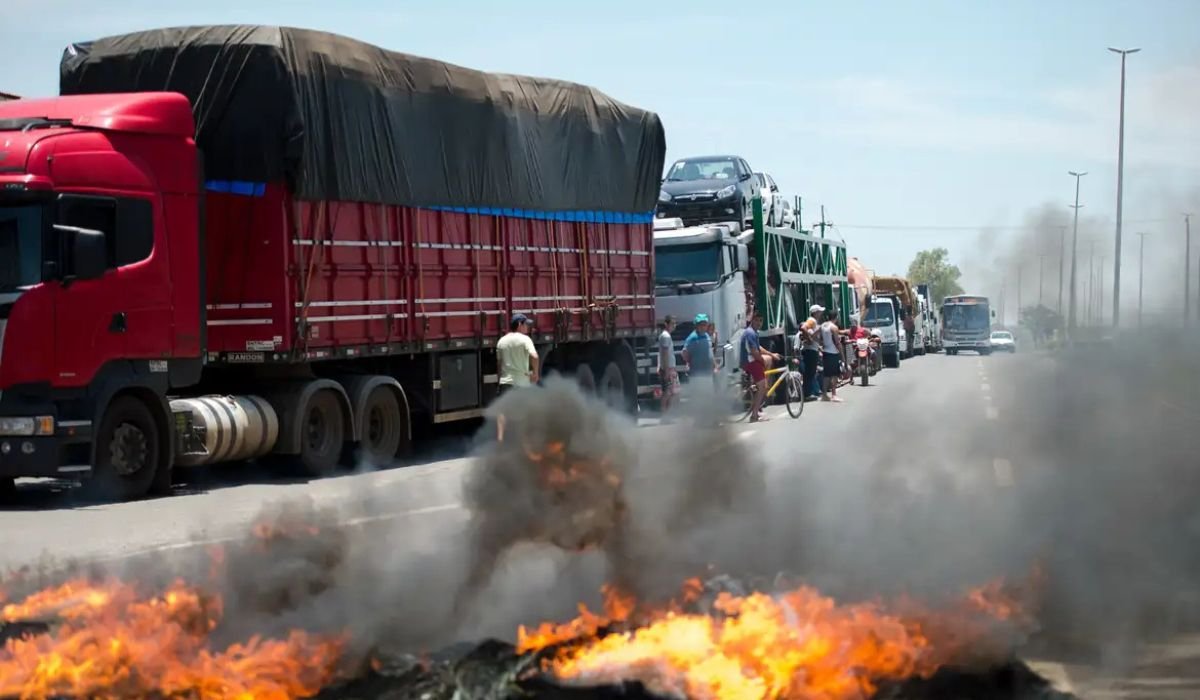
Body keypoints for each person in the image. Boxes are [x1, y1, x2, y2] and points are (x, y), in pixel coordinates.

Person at [495, 313, 539, 441]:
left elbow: (499, 364)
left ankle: (500, 438)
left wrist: (500, 380)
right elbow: (535, 356)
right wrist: (535, 373)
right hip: (521, 382)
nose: (527, 328)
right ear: (520, 325)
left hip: (505, 381)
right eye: (526, 325)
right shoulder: (525, 339)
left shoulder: (501, 341)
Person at [740, 312, 780, 422]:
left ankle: (758, 383)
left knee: (769, 359)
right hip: (750, 362)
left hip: (751, 360)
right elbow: (755, 353)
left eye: (761, 321)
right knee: (762, 387)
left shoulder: (753, 332)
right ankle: (754, 415)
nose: (759, 323)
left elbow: (759, 348)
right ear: (752, 320)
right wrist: (762, 361)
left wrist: (772, 354)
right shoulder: (750, 333)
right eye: (757, 320)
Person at [682, 313, 716, 386]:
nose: (703, 327)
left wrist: (715, 366)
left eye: (705, 324)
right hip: (697, 374)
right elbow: (684, 353)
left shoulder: (707, 336)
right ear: (696, 325)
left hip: (708, 373)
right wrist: (689, 362)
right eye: (701, 324)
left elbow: (711, 352)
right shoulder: (692, 338)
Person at [657, 316, 680, 419]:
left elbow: (660, 353)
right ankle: (664, 414)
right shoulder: (665, 336)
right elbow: (665, 353)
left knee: (671, 392)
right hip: (669, 368)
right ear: (666, 324)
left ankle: (668, 413)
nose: (674, 326)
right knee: (668, 392)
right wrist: (666, 370)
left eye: (675, 324)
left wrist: (660, 366)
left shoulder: (664, 336)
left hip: (669, 367)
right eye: (672, 324)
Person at [799, 304, 823, 400]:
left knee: (811, 372)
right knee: (809, 372)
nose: (821, 313)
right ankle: (808, 394)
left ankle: (810, 392)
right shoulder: (812, 320)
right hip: (810, 350)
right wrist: (810, 339)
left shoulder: (815, 322)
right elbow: (803, 328)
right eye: (819, 311)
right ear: (816, 312)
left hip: (813, 349)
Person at [819, 311, 843, 403]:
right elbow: (837, 342)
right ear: (836, 318)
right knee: (834, 374)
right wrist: (842, 355)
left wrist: (822, 345)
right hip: (833, 352)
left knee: (826, 374)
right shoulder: (834, 327)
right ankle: (834, 394)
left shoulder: (823, 326)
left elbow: (818, 338)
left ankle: (824, 394)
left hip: (825, 352)